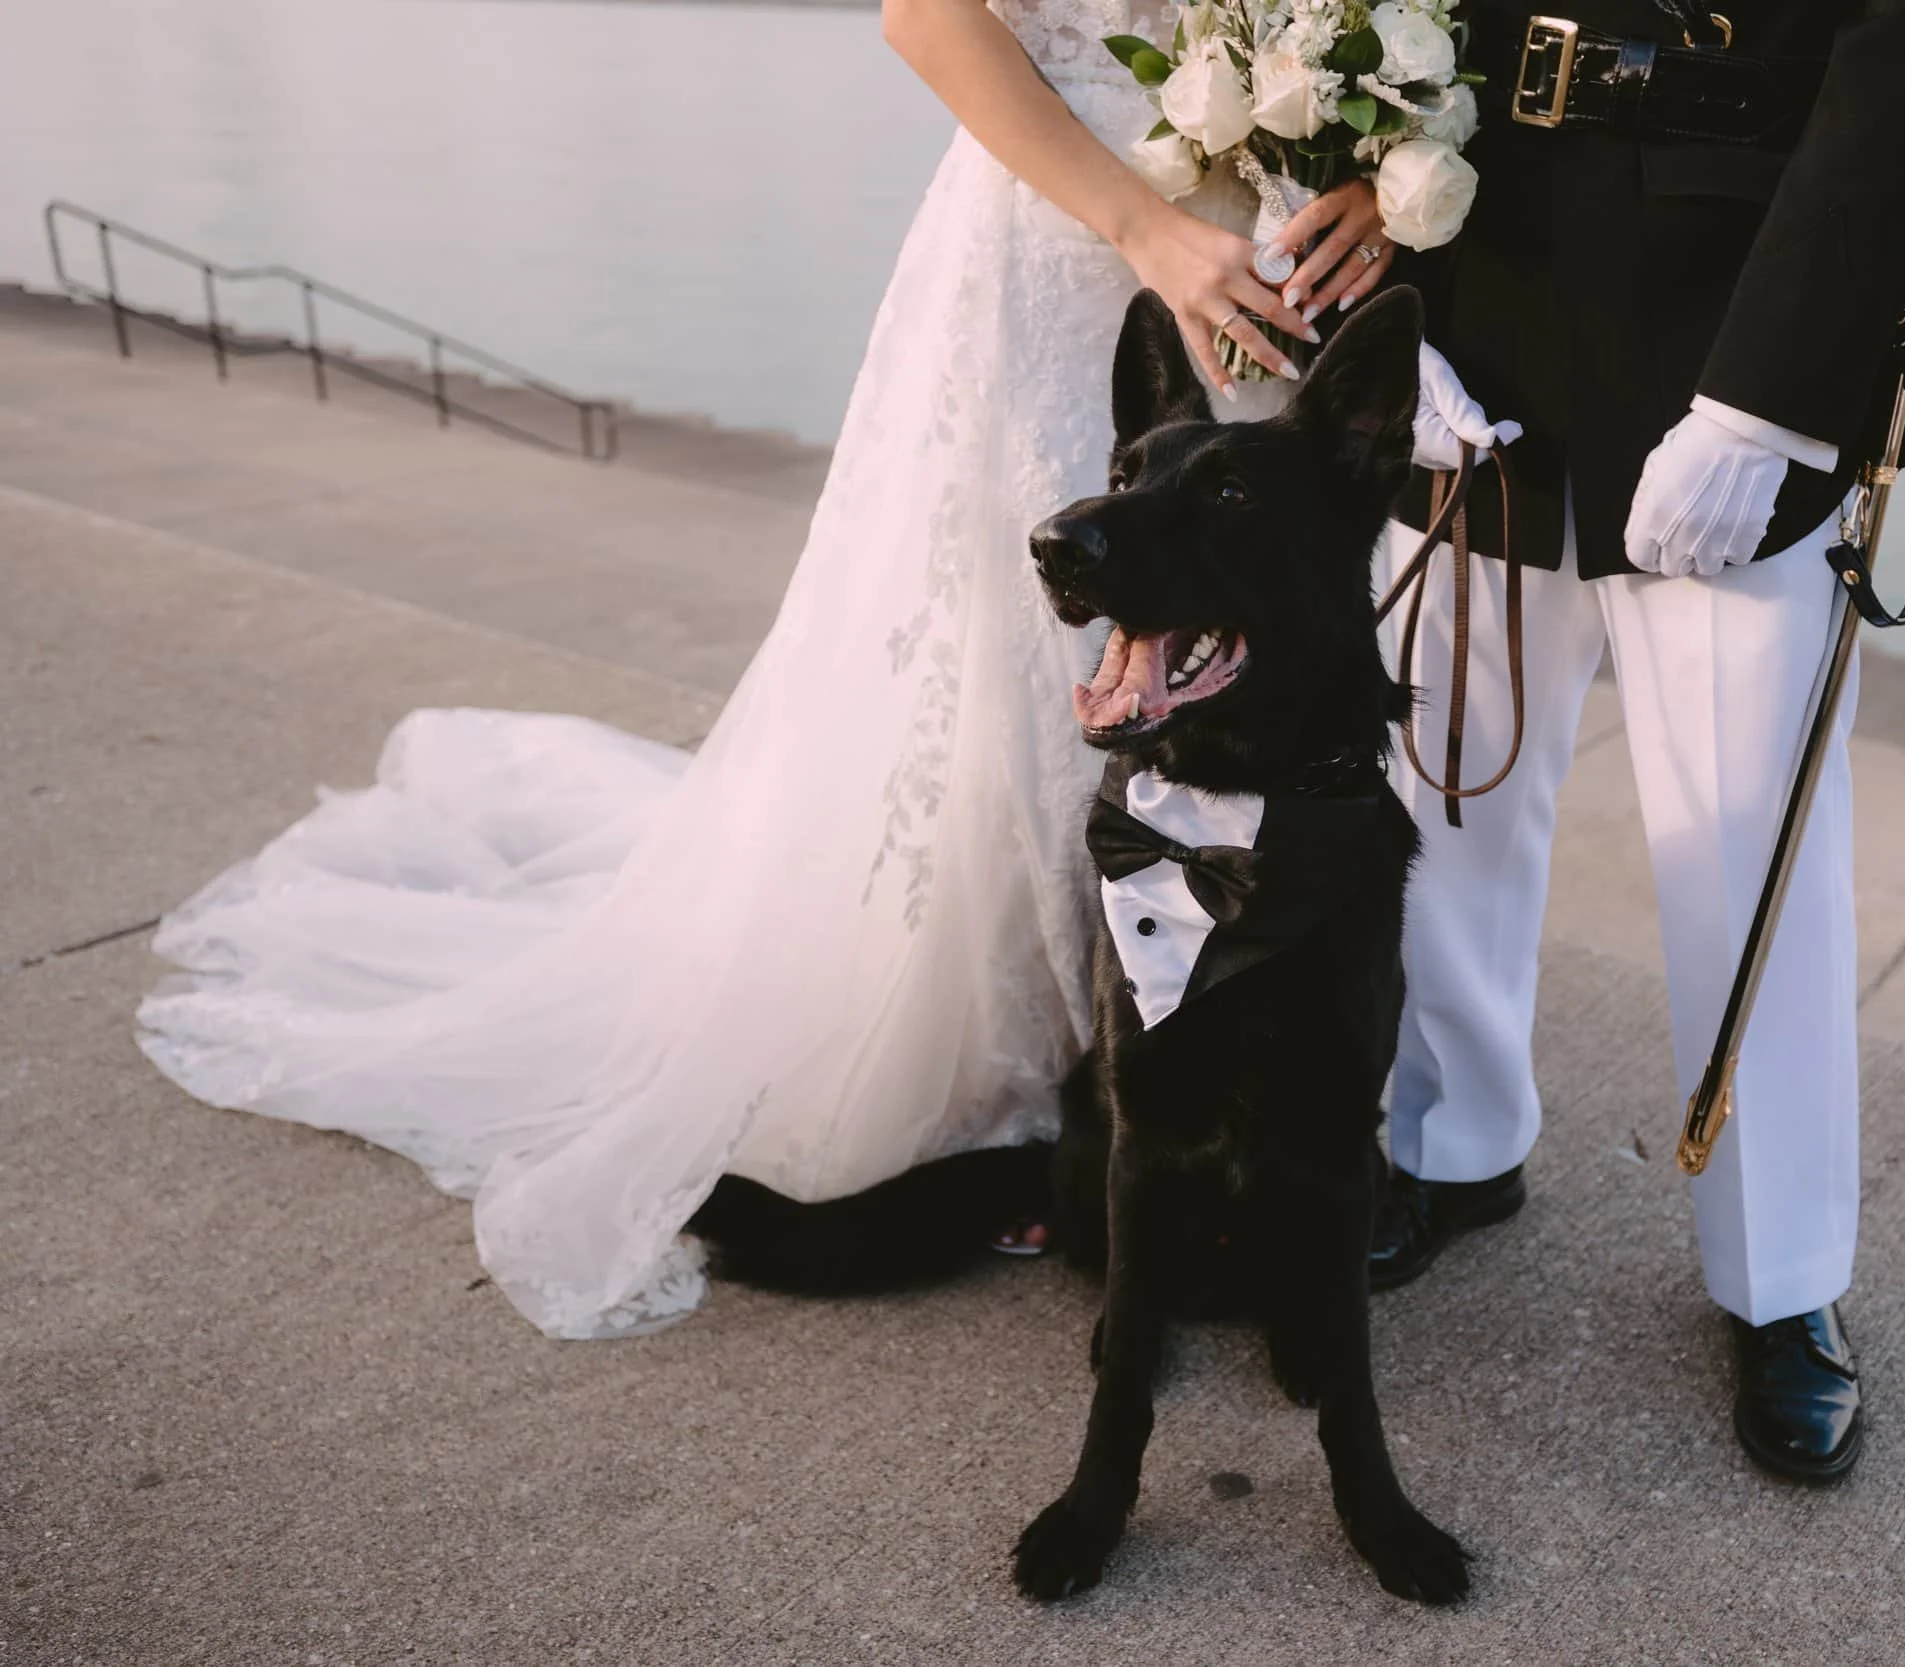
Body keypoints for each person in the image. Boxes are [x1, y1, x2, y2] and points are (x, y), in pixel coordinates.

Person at [134, 0, 1406, 1340]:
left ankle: (1213, 1079)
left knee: (1214, 665)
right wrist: (1145, 231)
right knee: (1008, 686)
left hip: (1256, 274)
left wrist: (1373, 175)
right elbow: (926, 17)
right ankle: (1035, 1096)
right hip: (1064, 239)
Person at [1369, 0, 1905, 1480]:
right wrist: (1383, 294)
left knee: (1754, 835)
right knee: (1440, 768)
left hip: (1732, 308)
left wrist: (1773, 398)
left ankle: (1779, 1272)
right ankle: (1448, 1137)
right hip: (1469, 263)